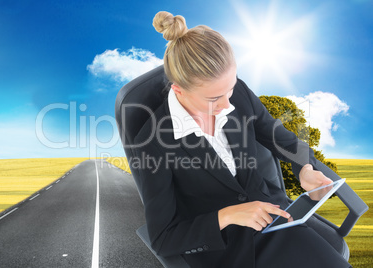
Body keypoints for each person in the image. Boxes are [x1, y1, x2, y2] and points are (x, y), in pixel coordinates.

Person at [133, 11, 351, 267]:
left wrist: (304, 168)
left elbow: (283, 140)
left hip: (277, 225)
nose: (228, 105)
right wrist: (226, 216)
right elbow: (163, 238)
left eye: (231, 88)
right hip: (225, 250)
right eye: (214, 99)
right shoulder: (152, 142)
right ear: (178, 89)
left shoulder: (238, 96)